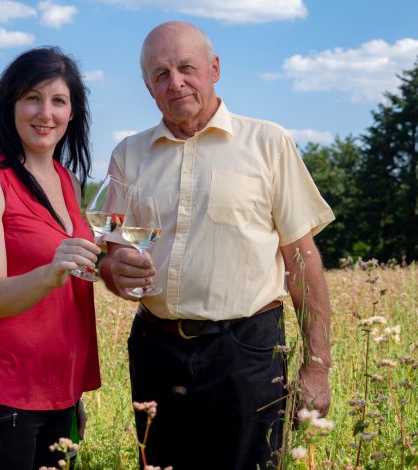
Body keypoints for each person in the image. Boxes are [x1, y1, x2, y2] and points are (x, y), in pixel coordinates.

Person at [99, 22, 335, 469]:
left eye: (186, 67)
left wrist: (317, 365)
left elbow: (302, 262)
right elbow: (111, 261)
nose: (176, 82)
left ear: (214, 68)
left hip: (248, 351)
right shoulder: (127, 156)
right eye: (161, 74)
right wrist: (115, 270)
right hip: (157, 351)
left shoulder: (269, 143)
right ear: (147, 86)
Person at [0, 47, 101, 470]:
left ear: (72, 113)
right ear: (9, 104)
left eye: (58, 101)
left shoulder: (67, 181)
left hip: (59, 397)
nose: (44, 112)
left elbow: (74, 282)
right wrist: (51, 272)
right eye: (32, 97)